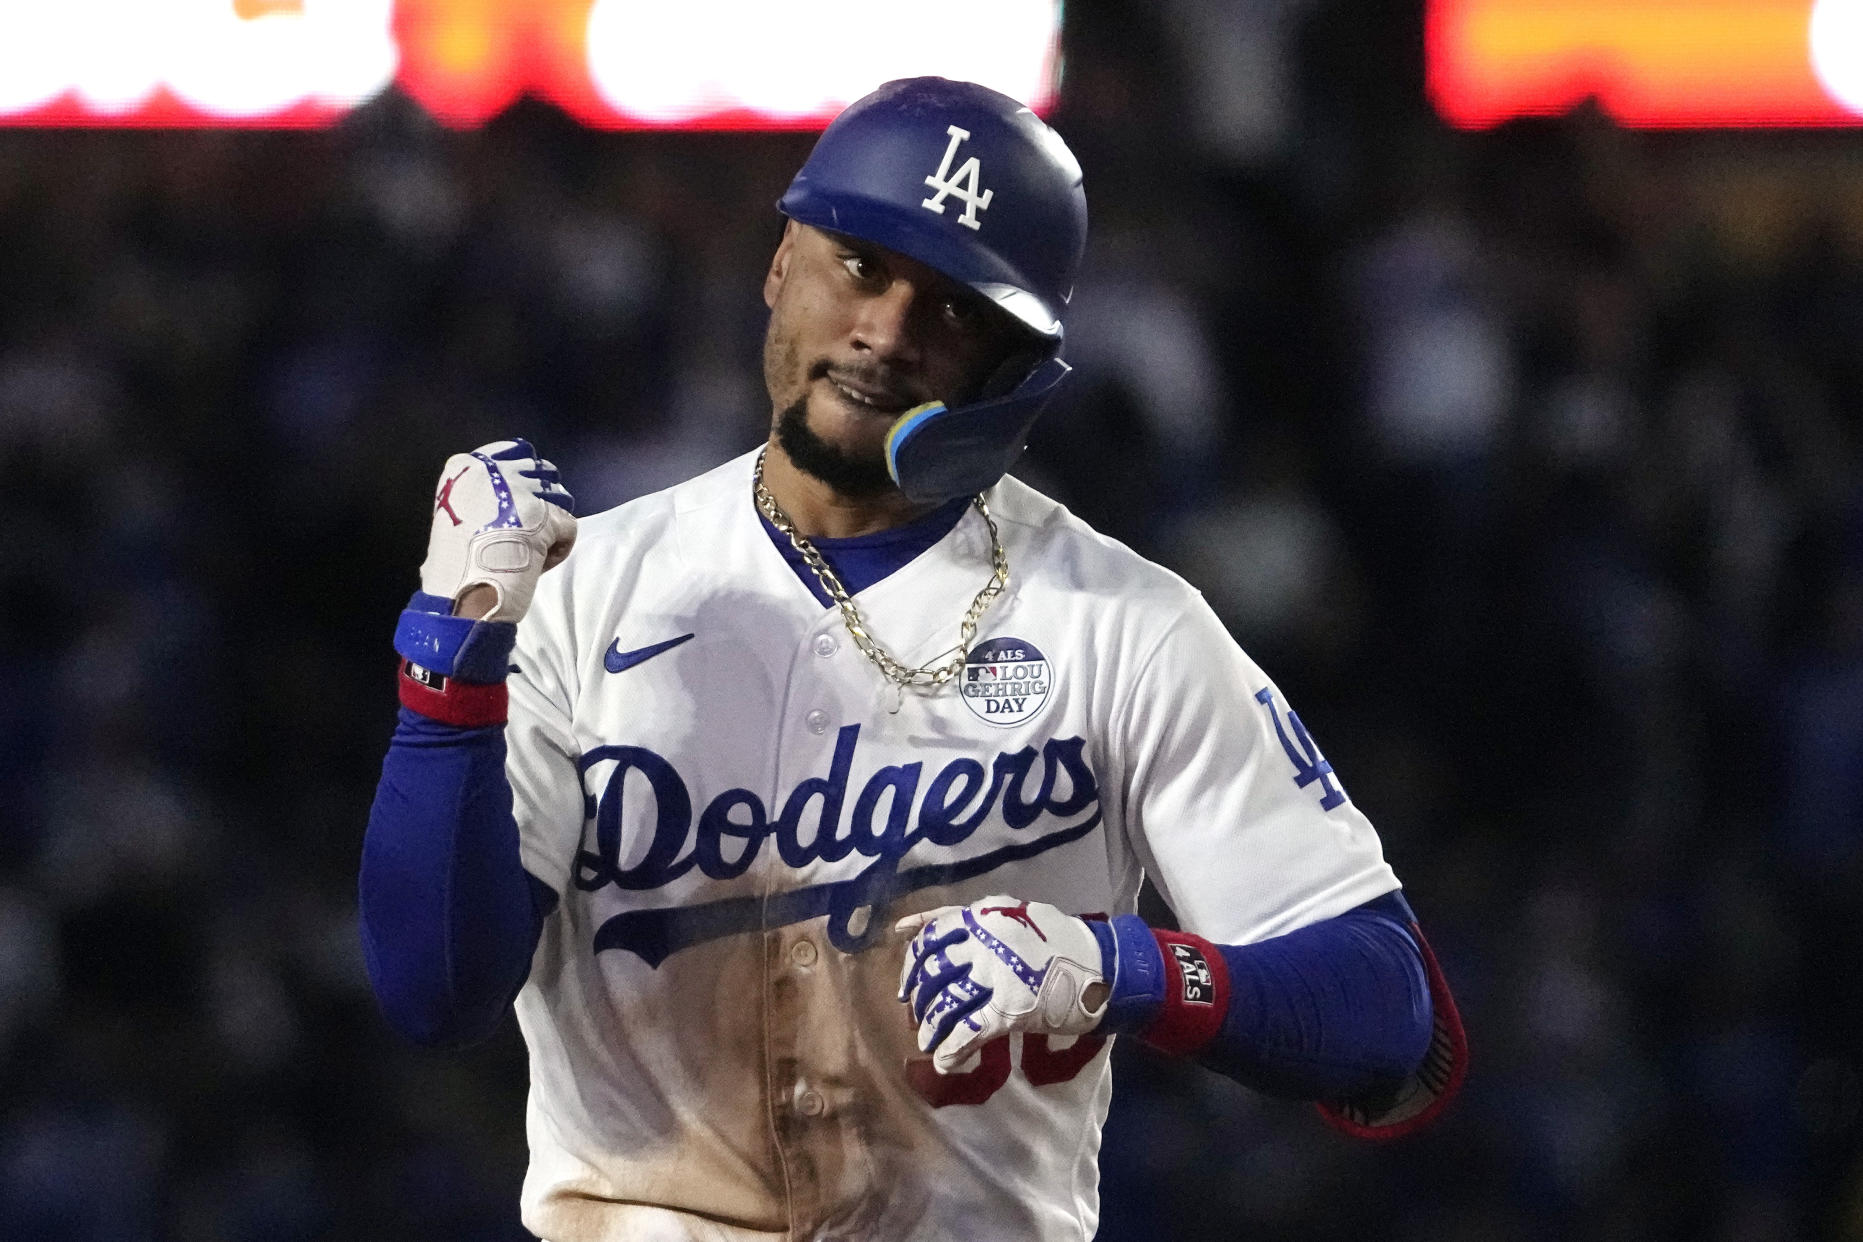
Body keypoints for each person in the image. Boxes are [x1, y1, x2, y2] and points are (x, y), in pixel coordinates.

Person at [361, 77, 1466, 1242]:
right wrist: (451, 658)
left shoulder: (1122, 625)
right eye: (861, 266)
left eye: (950, 309)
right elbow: (435, 989)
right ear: (781, 263)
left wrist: (1121, 968)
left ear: (1016, 365)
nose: (885, 331)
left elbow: (1391, 1017)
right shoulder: (589, 594)